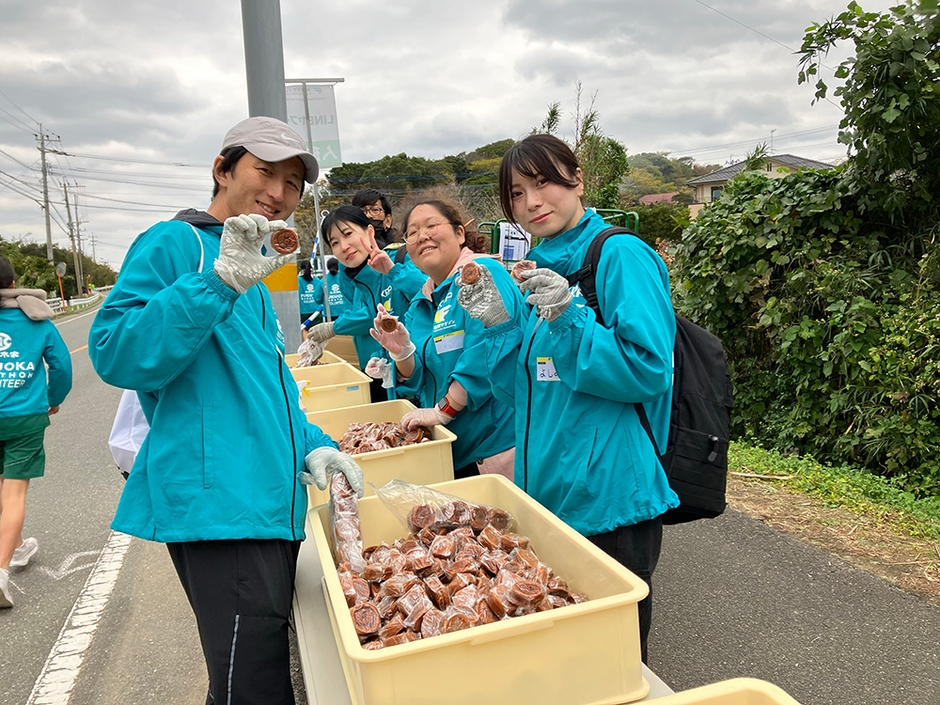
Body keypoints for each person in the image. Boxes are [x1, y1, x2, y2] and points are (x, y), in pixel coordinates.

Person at [88, 116, 365, 705]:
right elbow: (115, 351)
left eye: (293, 184)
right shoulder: (178, 244)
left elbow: (264, 388)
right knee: (253, 685)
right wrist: (216, 283)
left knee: (247, 675)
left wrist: (314, 442)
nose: (278, 193)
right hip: (223, 505)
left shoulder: (252, 271)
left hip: (264, 500)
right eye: (265, 172)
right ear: (222, 169)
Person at [456, 134, 679, 663]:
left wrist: (570, 317)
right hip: (549, 497)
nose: (532, 202)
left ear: (577, 179)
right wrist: (499, 328)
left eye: (544, 182)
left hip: (609, 498)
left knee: (610, 662)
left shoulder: (619, 254)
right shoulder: (538, 269)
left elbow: (649, 370)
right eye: (516, 193)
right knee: (567, 659)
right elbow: (530, 391)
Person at [369, 199, 525, 479]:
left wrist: (443, 410)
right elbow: (420, 376)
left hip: (492, 447)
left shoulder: (482, 275)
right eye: (412, 232)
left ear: (460, 234)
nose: (422, 236)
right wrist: (402, 353)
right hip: (451, 446)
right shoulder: (424, 299)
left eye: (431, 226)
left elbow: (491, 350)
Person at [0, 257, 72, 608]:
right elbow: (61, 366)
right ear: (13, 284)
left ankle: (16, 547)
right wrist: (53, 399)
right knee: (13, 494)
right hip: (24, 418)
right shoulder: (36, 319)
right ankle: (1, 571)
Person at [305, 206, 425, 402]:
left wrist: (392, 270)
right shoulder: (359, 280)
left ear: (369, 231)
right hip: (394, 376)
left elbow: (431, 291)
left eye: (348, 234)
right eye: (335, 242)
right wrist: (379, 357)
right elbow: (381, 325)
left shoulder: (400, 259)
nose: (344, 246)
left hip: (426, 378)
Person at [314, 257, 349, 321]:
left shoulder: (323, 281)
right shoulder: (345, 279)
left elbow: (317, 298)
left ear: (327, 267)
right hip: (345, 312)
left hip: (329, 313)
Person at [297, 259, 320, 325]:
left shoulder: (297, 280)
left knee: (304, 329)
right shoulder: (317, 280)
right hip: (316, 311)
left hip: (303, 311)